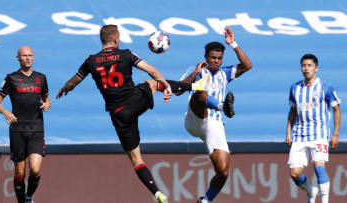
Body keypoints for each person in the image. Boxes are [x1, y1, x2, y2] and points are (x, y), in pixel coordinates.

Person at [55, 24, 208, 203]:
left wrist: (65, 88)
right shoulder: (125, 54)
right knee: (152, 83)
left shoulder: (91, 61)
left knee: (136, 160)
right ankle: (196, 86)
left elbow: (74, 80)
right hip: (134, 101)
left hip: (118, 115)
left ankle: (157, 193)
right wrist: (166, 86)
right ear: (116, 39)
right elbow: (152, 70)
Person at [177, 27, 252, 203]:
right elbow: (178, 91)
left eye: (219, 58)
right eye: (213, 58)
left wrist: (233, 44)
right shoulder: (197, 70)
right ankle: (221, 105)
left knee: (223, 171)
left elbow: (248, 65)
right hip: (196, 119)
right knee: (199, 90)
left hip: (215, 124)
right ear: (206, 57)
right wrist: (195, 74)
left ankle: (205, 200)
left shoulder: (225, 73)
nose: (216, 61)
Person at [0, 46, 50, 203]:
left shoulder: (41, 78)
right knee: (19, 172)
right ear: (17, 58)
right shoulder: (11, 78)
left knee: (35, 169)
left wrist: (46, 105)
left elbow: (46, 99)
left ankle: (29, 196)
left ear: (33, 57)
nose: (27, 58)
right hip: (18, 130)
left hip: (36, 129)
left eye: (30, 55)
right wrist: (5, 112)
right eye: (24, 55)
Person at [286, 54, 341, 203]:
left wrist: (335, 134)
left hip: (319, 134)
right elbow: (292, 111)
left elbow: (336, 109)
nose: (306, 69)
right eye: (303, 65)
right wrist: (288, 132)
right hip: (299, 134)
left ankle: (325, 200)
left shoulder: (326, 87)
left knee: (319, 167)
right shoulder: (295, 88)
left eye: (309, 66)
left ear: (316, 68)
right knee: (295, 173)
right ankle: (311, 190)